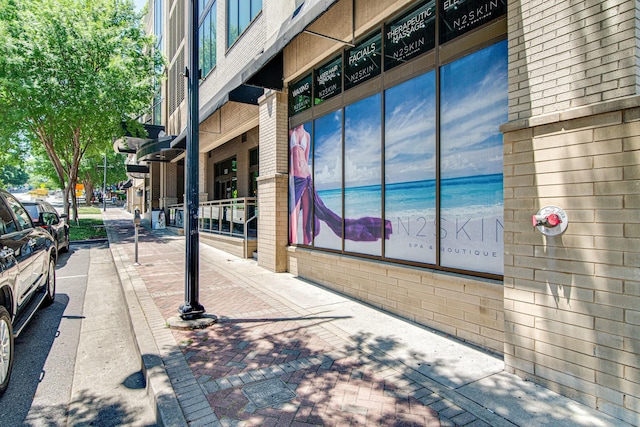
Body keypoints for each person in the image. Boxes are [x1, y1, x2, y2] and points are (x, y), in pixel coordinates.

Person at [289, 123, 392, 245]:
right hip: (296, 178)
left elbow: (305, 159)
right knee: (293, 216)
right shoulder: (290, 133)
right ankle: (293, 247)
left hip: (307, 178)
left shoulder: (307, 135)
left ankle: (306, 247)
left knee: (308, 219)